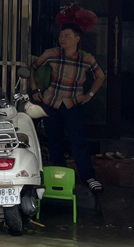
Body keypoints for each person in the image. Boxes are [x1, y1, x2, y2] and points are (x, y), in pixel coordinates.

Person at [30, 23, 106, 193]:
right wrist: (35, 89)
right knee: (54, 141)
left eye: (67, 36)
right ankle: (59, 176)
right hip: (51, 103)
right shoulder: (51, 53)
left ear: (77, 39)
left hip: (73, 104)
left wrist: (90, 95)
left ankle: (89, 177)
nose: (62, 39)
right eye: (61, 36)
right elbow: (33, 67)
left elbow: (100, 76)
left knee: (78, 141)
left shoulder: (87, 58)